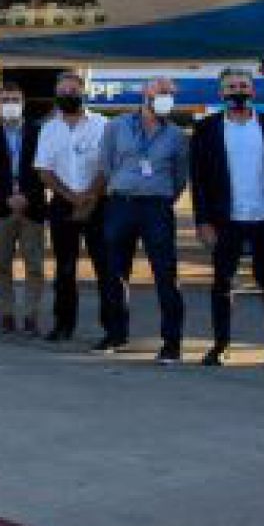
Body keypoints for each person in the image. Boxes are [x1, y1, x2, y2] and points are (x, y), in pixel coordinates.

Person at [192, 68, 264, 371]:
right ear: (221, 94)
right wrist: (203, 221)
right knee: (222, 285)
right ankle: (221, 345)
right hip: (226, 220)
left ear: (253, 92)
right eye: (230, 87)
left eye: (242, 86)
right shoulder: (207, 129)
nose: (237, 91)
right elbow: (198, 179)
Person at [94, 76, 190, 362]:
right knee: (114, 272)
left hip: (156, 207)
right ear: (145, 95)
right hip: (121, 204)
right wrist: (125, 187)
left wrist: (158, 196)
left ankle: (171, 342)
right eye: (161, 93)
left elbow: (180, 177)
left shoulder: (175, 135)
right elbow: (107, 164)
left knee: (166, 275)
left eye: (171, 95)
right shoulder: (116, 126)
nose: (166, 99)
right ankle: (115, 333)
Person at [34, 71, 107, 343]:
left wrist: (89, 197)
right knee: (65, 270)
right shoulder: (48, 128)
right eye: (63, 92)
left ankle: (112, 328)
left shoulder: (102, 125)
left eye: (73, 91)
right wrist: (71, 197)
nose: (68, 96)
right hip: (63, 205)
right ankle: (63, 324)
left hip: (99, 204)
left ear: (83, 92)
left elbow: (107, 166)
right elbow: (44, 170)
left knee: (106, 268)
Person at [0, 81, 46, 336]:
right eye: (5, 100)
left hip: (33, 207)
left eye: (15, 100)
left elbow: (46, 170)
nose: (10, 105)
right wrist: (7, 196)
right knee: (2, 266)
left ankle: (31, 315)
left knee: (34, 266)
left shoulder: (40, 133)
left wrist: (26, 195)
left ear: (23, 103)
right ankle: (6, 314)